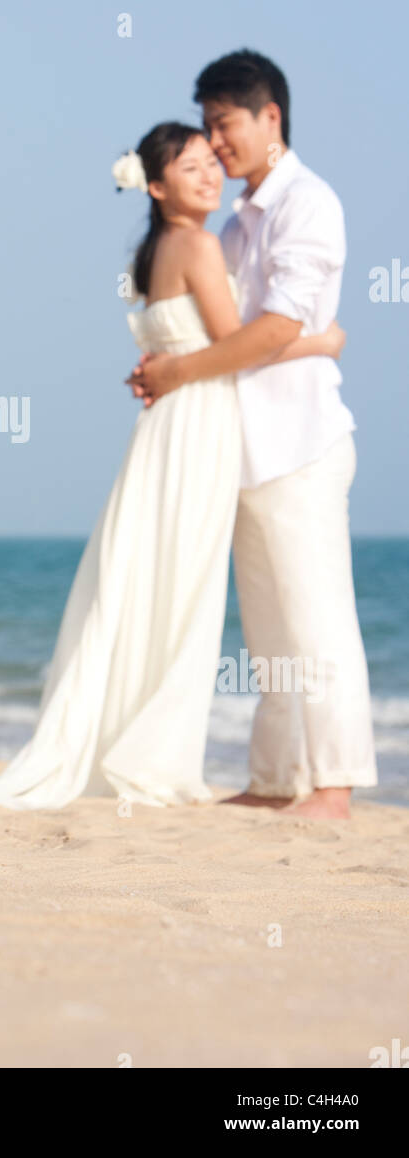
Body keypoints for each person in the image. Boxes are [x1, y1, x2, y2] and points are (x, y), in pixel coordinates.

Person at [0, 120, 344, 810]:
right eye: (191, 168)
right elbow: (238, 343)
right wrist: (323, 341)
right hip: (196, 428)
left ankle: (131, 738)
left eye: (209, 163)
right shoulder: (197, 241)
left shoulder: (157, 248)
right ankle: (152, 754)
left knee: (151, 580)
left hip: (170, 429)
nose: (209, 174)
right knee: (183, 588)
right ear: (158, 186)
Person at [131, 51, 377, 819]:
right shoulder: (235, 223)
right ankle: (276, 782)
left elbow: (273, 330)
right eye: (207, 126)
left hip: (301, 442)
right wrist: (169, 365)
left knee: (318, 618)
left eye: (225, 123)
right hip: (240, 448)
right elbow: (227, 331)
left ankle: (333, 787)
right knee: (270, 632)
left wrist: (182, 370)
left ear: (270, 118)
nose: (217, 142)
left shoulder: (311, 204)